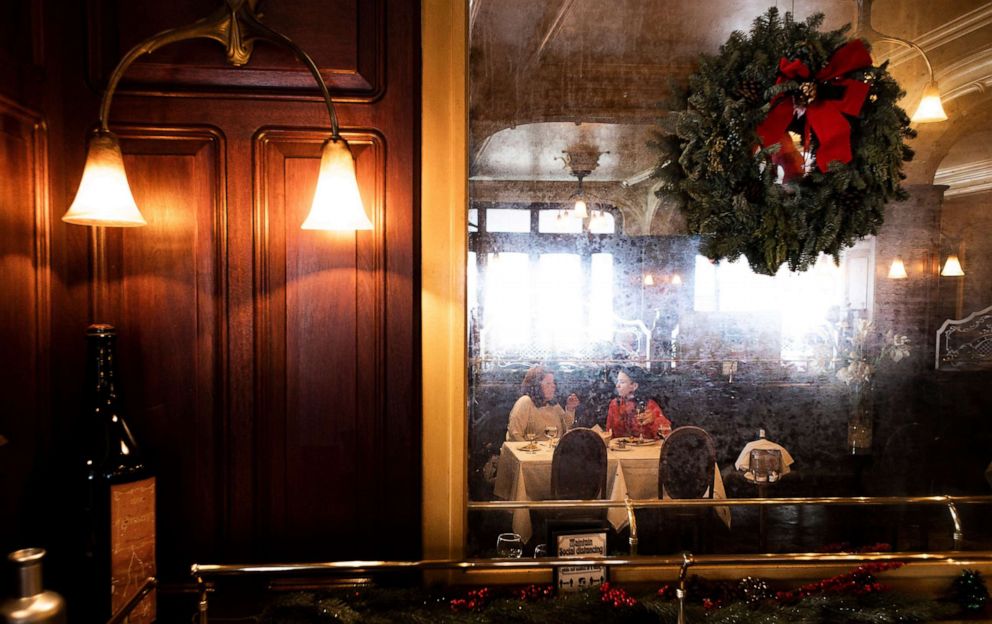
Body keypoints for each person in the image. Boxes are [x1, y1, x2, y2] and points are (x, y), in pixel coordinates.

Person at [506, 365, 579, 441]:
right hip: (529, 451)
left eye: (553, 383)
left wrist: (570, 409)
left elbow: (567, 431)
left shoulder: (554, 405)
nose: (553, 386)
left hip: (552, 451)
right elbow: (514, 434)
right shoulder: (525, 402)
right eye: (548, 383)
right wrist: (530, 450)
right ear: (536, 385)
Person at [606, 367, 672, 439]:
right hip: (620, 449)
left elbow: (667, 434)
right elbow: (608, 434)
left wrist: (654, 421)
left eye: (622, 382)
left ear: (634, 386)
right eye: (617, 381)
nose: (617, 385)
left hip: (645, 449)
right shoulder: (614, 404)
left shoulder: (649, 405)